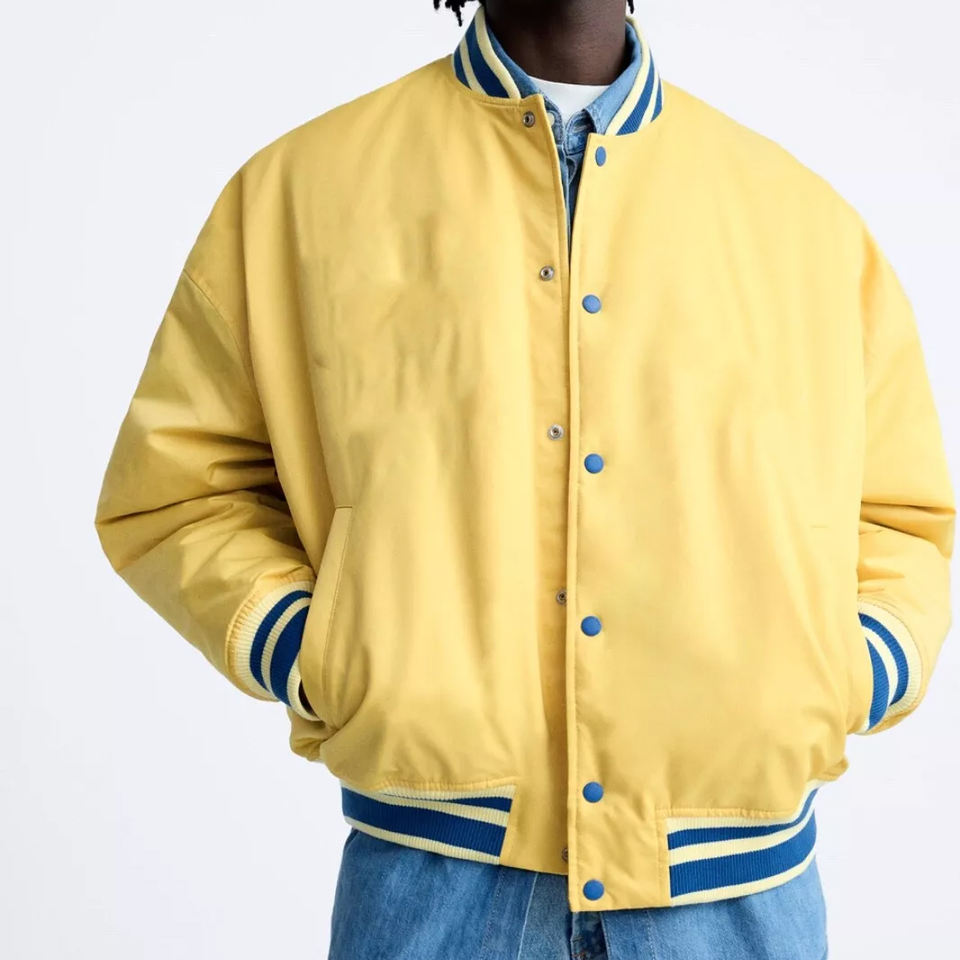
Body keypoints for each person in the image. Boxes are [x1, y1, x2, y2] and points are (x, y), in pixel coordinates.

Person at [92, 1, 955, 957]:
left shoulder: (800, 219)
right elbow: (179, 487)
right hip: (434, 884)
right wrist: (322, 650)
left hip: (738, 891)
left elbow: (901, 517)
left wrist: (840, 673)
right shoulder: (298, 193)